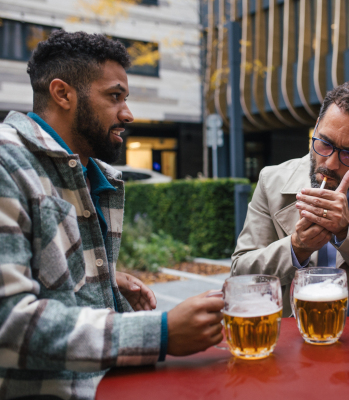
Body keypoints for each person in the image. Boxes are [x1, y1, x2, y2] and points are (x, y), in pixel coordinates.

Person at [0, 30, 223, 399]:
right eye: (114, 96)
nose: (128, 113)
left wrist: (100, 282)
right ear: (63, 93)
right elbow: (9, 323)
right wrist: (161, 331)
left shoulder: (93, 175)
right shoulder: (7, 163)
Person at [231, 80, 349, 318]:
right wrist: (296, 247)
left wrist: (347, 233)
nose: (330, 163)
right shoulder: (272, 181)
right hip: (289, 335)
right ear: (316, 127)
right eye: (325, 143)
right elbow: (241, 274)